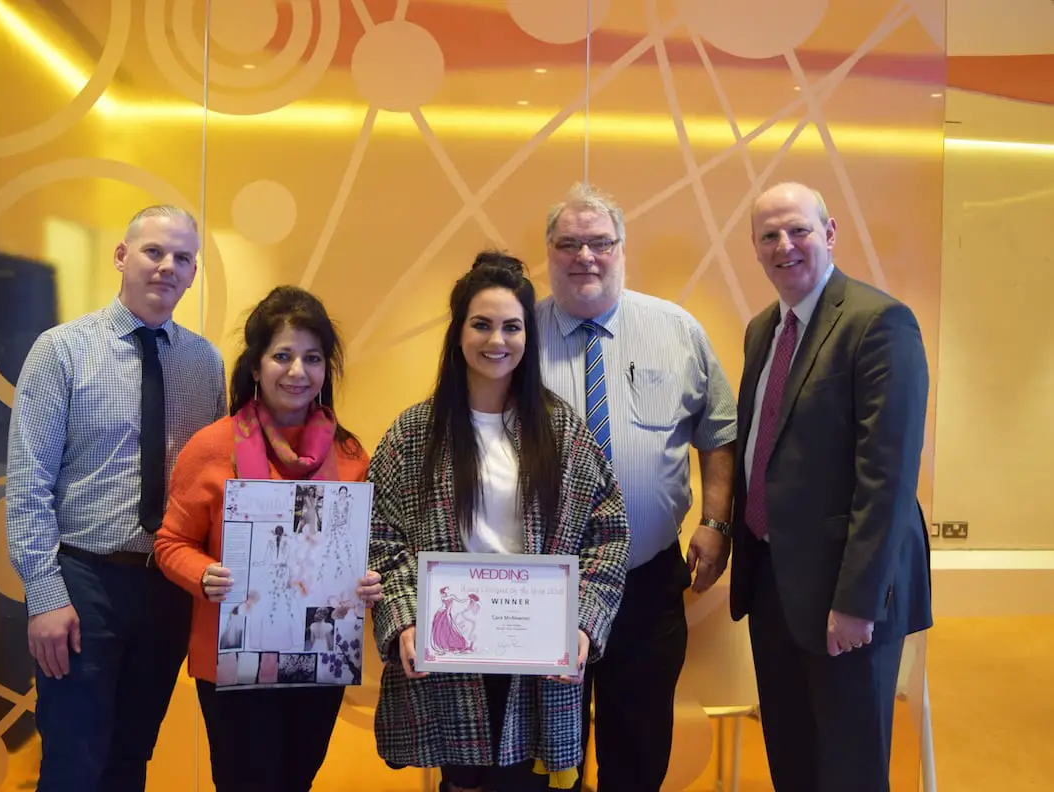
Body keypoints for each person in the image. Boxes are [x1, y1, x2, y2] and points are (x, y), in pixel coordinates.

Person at [367, 251, 631, 792]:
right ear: (458, 333)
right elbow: (380, 537)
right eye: (481, 324)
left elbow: (610, 534)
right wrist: (404, 621)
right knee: (460, 779)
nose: (497, 340)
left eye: (512, 327)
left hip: (535, 644)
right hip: (449, 641)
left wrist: (582, 622)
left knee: (525, 781)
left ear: (527, 338)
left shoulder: (561, 431)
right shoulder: (415, 433)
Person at [5, 205, 226, 791]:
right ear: (122, 256)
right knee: (74, 764)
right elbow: (28, 486)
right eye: (154, 251)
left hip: (167, 589)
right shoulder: (62, 351)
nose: (167, 267)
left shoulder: (205, 365)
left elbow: (213, 487)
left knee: (131, 759)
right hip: (85, 584)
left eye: (182, 258)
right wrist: (44, 595)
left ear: (193, 272)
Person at [536, 182, 739, 791]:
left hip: (644, 579)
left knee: (640, 745)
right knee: (546, 755)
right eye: (569, 243)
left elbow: (719, 430)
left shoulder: (677, 330)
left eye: (600, 242)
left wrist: (717, 521)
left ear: (623, 249)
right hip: (542, 584)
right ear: (548, 252)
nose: (585, 256)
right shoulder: (517, 334)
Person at [731, 182, 932, 792]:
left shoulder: (879, 322)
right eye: (769, 236)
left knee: (848, 766)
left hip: (846, 595)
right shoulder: (763, 328)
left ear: (830, 233)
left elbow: (887, 475)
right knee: (791, 755)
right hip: (774, 581)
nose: (784, 245)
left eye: (798, 230)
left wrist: (857, 600)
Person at [151, 286, 384, 792]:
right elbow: (170, 543)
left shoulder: (349, 456)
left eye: (312, 358)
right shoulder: (212, 448)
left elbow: (357, 552)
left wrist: (366, 581)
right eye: (282, 356)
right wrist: (202, 574)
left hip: (318, 662)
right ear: (255, 367)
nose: (297, 372)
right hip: (235, 663)